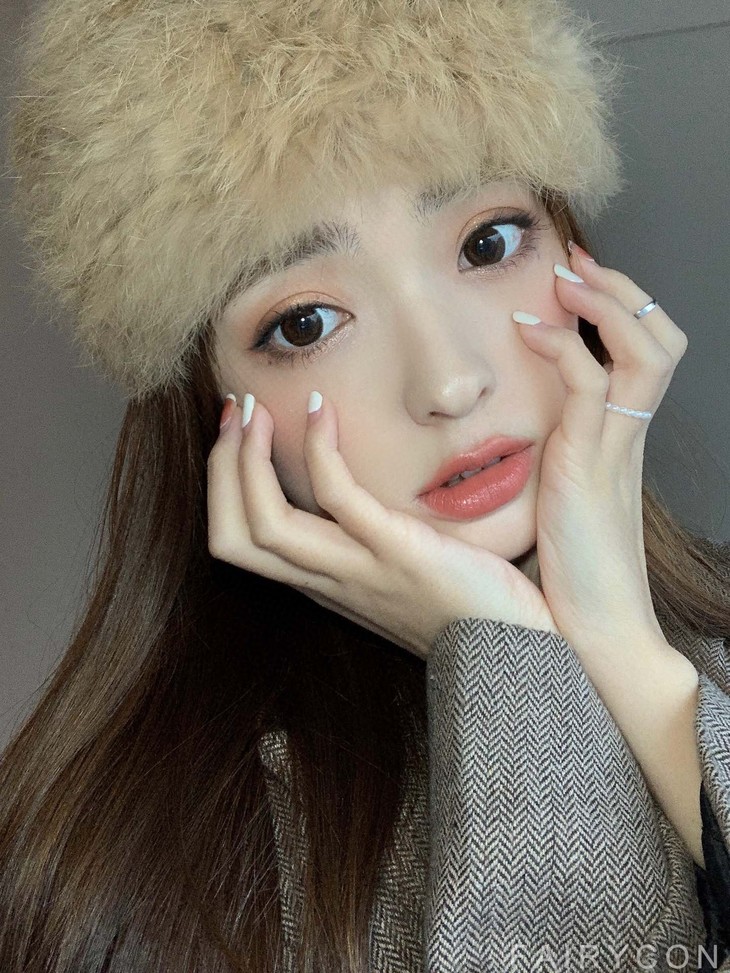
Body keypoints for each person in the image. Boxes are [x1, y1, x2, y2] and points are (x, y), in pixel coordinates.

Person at [1, 0, 729, 970]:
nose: (449, 382)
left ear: (574, 252)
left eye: (487, 243)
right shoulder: (141, 875)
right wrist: (516, 674)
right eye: (305, 323)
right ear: (213, 405)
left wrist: (623, 653)